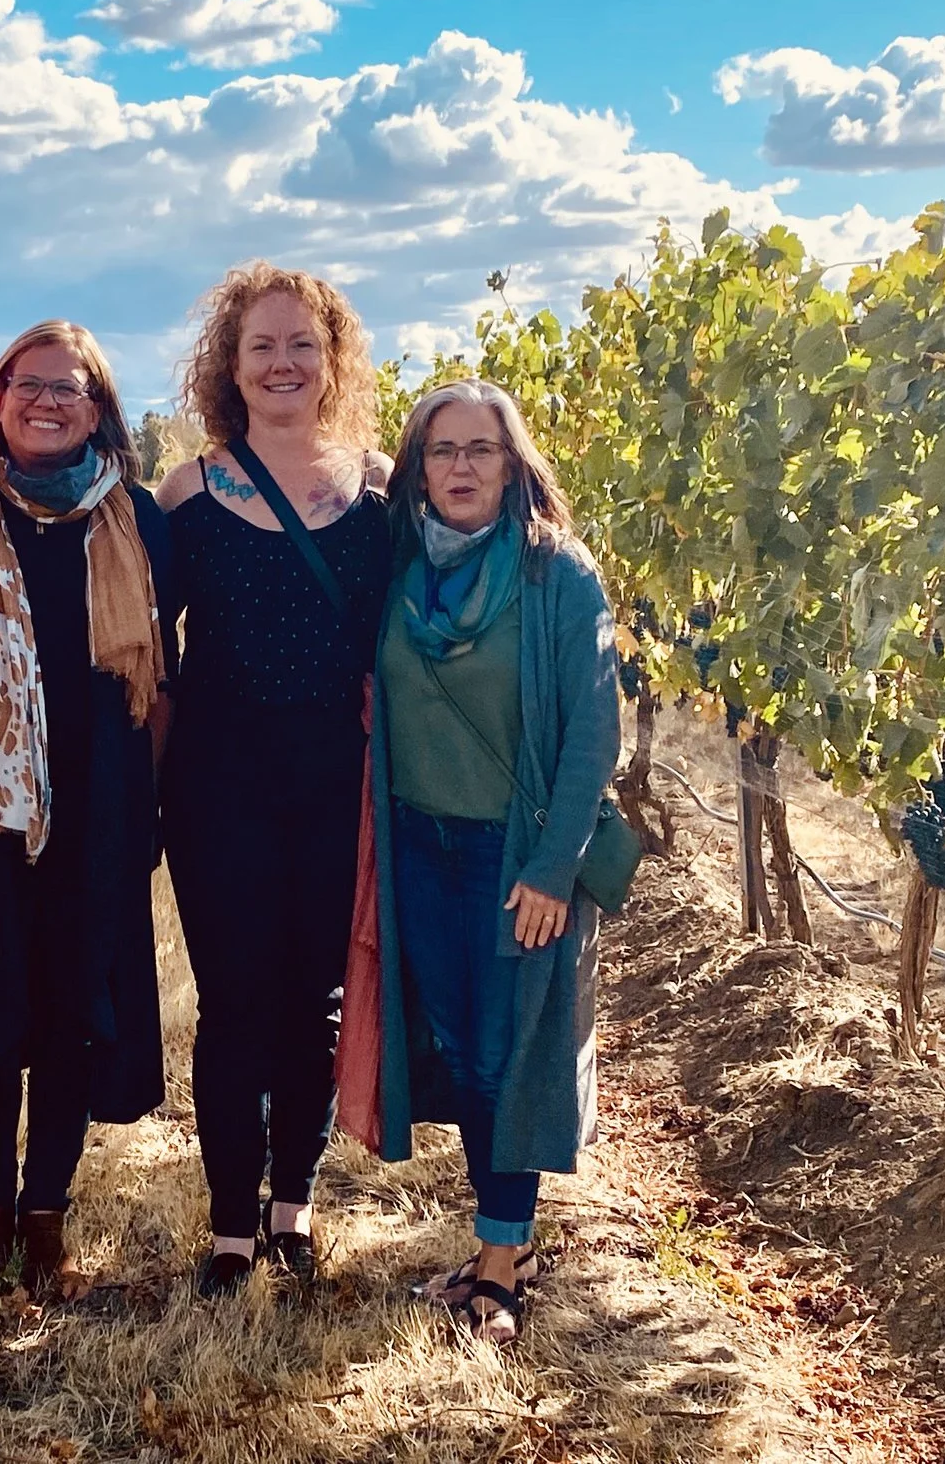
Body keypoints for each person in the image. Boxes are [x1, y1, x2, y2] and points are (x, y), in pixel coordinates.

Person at [342, 380, 620, 1348]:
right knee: (460, 1049)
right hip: (417, 843)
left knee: (508, 1056)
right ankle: (503, 1241)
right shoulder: (400, 564)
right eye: (442, 450)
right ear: (416, 465)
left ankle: (501, 1264)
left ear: (513, 467)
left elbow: (593, 734)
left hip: (512, 861)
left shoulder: (556, 576)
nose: (460, 468)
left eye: (481, 451)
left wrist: (551, 869)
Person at [0, 320, 176, 1302]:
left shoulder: (138, 520)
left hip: (97, 810)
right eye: (28, 385)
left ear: (98, 406)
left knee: (70, 1013)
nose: (46, 400)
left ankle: (44, 1218)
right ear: (0, 398)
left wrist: (149, 808)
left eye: (69, 388)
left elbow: (162, 677)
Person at [153, 263, 394, 1298]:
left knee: (315, 1005)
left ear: (332, 358)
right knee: (234, 1005)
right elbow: (142, 653)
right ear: (231, 365)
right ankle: (226, 1229)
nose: (283, 362)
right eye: (263, 346)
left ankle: (290, 1209)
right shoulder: (188, 493)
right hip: (219, 789)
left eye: (303, 344)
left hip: (336, 786)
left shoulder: (381, 490)